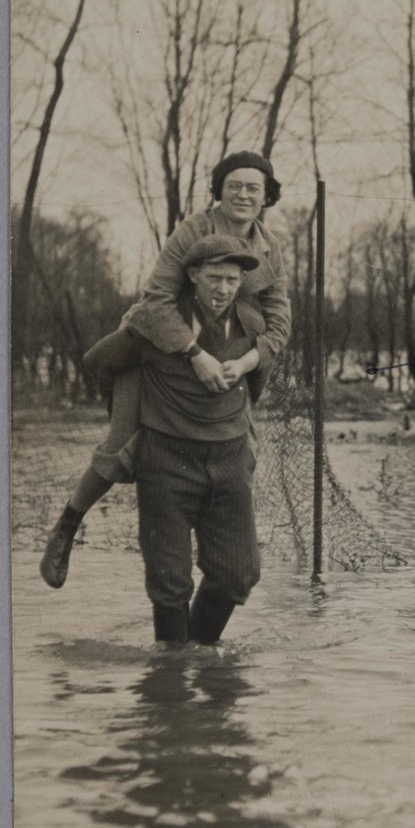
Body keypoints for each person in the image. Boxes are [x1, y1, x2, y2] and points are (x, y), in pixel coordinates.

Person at [39, 151, 290, 590]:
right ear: (219, 190)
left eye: (254, 187)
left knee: (241, 449)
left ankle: (219, 556)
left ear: (267, 195)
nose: (244, 195)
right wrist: (194, 353)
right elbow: (156, 299)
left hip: (229, 349)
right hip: (159, 341)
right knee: (121, 448)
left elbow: (280, 321)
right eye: (234, 186)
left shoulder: (268, 248)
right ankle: (67, 525)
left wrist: (248, 360)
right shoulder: (193, 230)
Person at [104, 234, 267, 644]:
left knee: (239, 574)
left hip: (228, 463)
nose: (223, 289)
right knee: (169, 579)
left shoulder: (252, 325)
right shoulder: (155, 320)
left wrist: (232, 430)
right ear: (193, 274)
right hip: (166, 459)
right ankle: (172, 681)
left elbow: (257, 385)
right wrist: (134, 416)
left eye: (232, 280)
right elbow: (100, 363)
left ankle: (197, 652)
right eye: (214, 277)